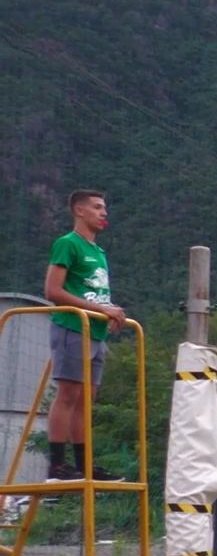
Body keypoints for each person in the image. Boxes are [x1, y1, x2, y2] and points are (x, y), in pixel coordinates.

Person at [42, 189, 127, 482]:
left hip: (95, 331)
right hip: (73, 326)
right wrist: (98, 309)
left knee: (86, 400)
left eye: (104, 207)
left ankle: (83, 463)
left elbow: (93, 291)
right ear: (80, 211)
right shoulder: (68, 244)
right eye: (97, 207)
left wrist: (111, 312)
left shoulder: (98, 252)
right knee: (68, 393)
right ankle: (56, 465)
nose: (104, 213)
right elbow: (53, 291)